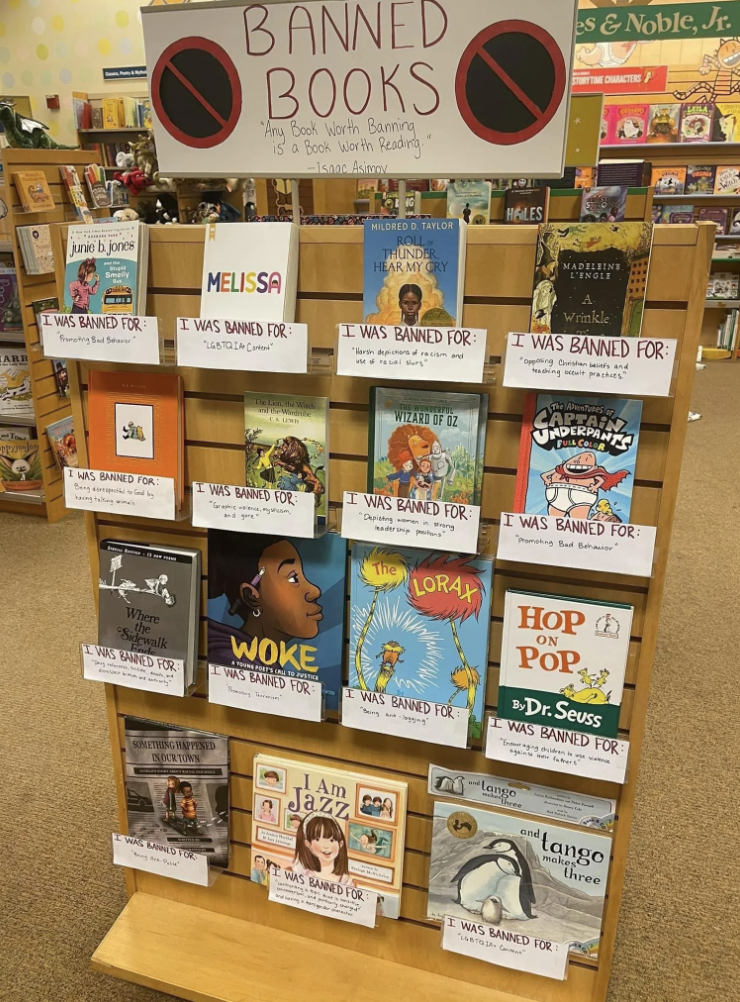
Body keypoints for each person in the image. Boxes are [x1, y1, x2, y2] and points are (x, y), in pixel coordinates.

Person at [207, 535, 324, 669]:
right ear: (251, 596)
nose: (315, 591)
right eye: (293, 578)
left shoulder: (257, 661)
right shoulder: (231, 661)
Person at [291, 812, 354, 885]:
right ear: (308, 844)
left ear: (340, 844)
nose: (326, 846)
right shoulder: (301, 871)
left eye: (332, 840)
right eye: (318, 839)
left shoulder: (345, 881)